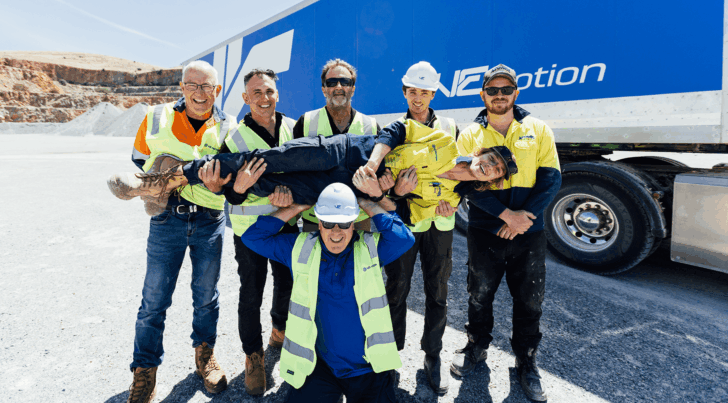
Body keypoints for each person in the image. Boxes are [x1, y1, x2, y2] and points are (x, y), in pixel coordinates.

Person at [108, 119, 517, 226]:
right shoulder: (446, 140)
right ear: (481, 151)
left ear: (492, 180)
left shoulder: (449, 202)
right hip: (348, 151)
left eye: (495, 171)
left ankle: (168, 181)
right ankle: (159, 181)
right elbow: (397, 130)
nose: (488, 166)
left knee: (267, 181)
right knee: (265, 159)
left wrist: (389, 192)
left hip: (349, 190)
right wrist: (375, 164)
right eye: (492, 157)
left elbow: (404, 215)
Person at [116, 61, 237, 403]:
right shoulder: (156, 116)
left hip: (209, 219)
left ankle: (204, 356)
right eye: (193, 85)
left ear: (217, 90)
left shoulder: (229, 125)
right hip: (166, 218)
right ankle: (144, 371)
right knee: (154, 300)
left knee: (206, 295)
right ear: (182, 87)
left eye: (207, 86)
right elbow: (139, 158)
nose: (200, 92)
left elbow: (232, 171)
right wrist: (166, 184)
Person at [238, 180, 414, 403]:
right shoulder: (300, 247)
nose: (336, 232)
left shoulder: (370, 249)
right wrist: (296, 207)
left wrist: (366, 202)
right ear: (319, 223)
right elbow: (252, 238)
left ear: (354, 223)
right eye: (329, 223)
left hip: (368, 367)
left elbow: (404, 238)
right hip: (320, 367)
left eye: (344, 223)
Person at [451, 64, 561, 403]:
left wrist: (521, 219)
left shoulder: (537, 129)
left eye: (506, 89)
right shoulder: (470, 134)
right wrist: (506, 216)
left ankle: (526, 360)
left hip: (529, 231)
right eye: (493, 90)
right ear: (482, 94)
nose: (499, 95)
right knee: (479, 293)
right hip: (485, 230)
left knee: (529, 298)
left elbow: (551, 178)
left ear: (516, 93)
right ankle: (476, 346)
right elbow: (465, 184)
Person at [383, 62, 459, 394]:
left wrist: (457, 200)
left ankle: (433, 355)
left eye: (425, 92)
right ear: (404, 92)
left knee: (437, 292)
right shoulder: (395, 131)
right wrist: (396, 193)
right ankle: (390, 356)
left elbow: (465, 171)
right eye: (413, 91)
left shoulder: (450, 127)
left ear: (433, 94)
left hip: (441, 221)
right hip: (405, 221)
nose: (418, 98)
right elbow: (382, 180)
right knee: (396, 288)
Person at [221, 68, 296, 395]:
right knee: (251, 292)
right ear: (245, 98)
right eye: (256, 93)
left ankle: (280, 330)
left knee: (288, 282)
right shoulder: (234, 139)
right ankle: (253, 355)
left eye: (269, 91)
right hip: (250, 231)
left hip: (286, 223)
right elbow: (227, 193)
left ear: (277, 93)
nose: (264, 98)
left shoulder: (294, 128)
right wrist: (239, 186)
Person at [293, 59, 380, 232]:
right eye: (332, 82)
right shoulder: (305, 123)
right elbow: (294, 172)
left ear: (353, 88)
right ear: (324, 89)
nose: (338, 87)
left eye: (345, 82)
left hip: (358, 218)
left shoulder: (370, 126)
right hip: (316, 219)